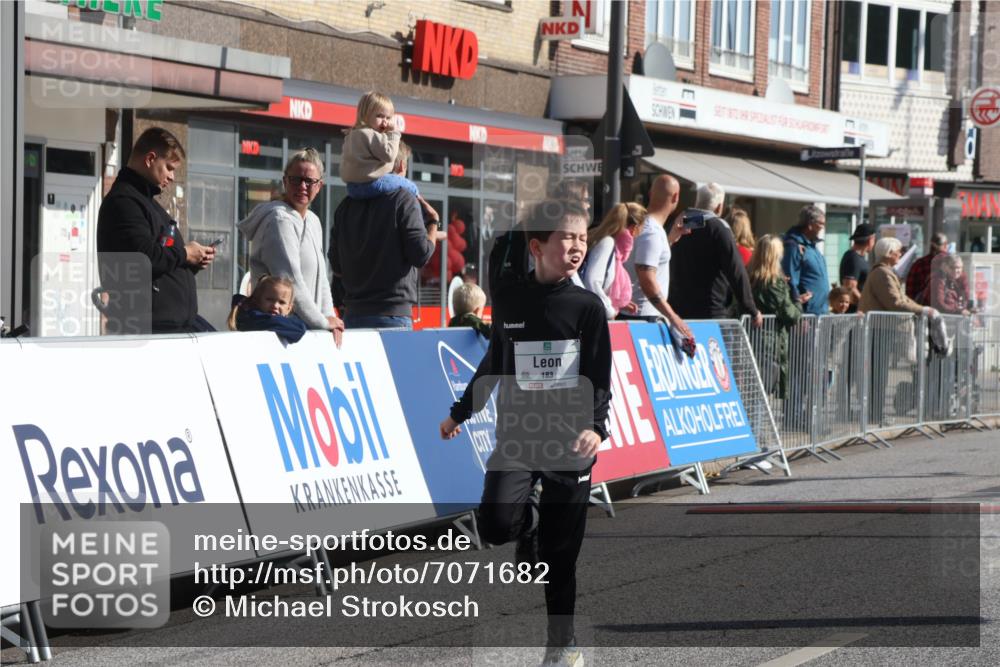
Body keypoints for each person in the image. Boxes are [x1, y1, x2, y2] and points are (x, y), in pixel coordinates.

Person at [440, 199, 610, 667]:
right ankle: (528, 522)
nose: (577, 247)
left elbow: (599, 374)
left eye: (582, 239)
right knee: (495, 523)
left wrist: (596, 427)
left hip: (570, 444)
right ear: (537, 247)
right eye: (566, 239)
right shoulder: (512, 299)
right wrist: (461, 413)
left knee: (561, 558)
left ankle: (563, 646)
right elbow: (495, 363)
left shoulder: (587, 308)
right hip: (517, 437)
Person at [97, 127, 216, 334]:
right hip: (149, 330)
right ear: (150, 159)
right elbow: (143, 259)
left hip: (166, 327)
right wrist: (185, 253)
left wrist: (190, 262)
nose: (171, 176)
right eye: (169, 167)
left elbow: (160, 263)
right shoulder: (125, 202)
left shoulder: (146, 203)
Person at [238, 148, 344, 345]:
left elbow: (322, 279)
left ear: (319, 186)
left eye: (309, 181)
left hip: (304, 330)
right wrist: (322, 321)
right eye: (296, 180)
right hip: (280, 333)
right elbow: (290, 279)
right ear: (285, 181)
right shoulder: (279, 219)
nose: (302, 186)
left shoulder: (312, 220)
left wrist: (330, 318)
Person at [330, 145, 436, 330]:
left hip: (353, 315)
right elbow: (421, 254)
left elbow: (336, 265)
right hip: (392, 315)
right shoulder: (403, 199)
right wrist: (434, 223)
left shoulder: (346, 205)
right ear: (401, 165)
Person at [859, 237, 938, 425]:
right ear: (889, 253)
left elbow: (902, 298)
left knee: (881, 373)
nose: (901, 254)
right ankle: (875, 414)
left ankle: (876, 413)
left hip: (882, 328)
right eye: (898, 251)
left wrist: (921, 309)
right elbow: (895, 302)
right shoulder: (882, 274)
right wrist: (923, 310)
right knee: (878, 374)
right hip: (879, 328)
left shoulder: (886, 273)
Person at [667, 182, 763, 326]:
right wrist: (751, 309)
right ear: (719, 207)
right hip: (710, 311)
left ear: (696, 201)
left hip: (678, 310)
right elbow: (736, 271)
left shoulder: (680, 224)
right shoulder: (718, 228)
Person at [621, 175, 694, 340]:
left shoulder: (649, 228)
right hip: (642, 317)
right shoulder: (652, 232)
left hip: (638, 315)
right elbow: (647, 278)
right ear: (676, 197)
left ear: (650, 193)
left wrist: (671, 238)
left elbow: (650, 259)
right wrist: (673, 316)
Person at [747, 235, 801, 398]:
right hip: (768, 341)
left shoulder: (748, 275)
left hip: (750, 336)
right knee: (762, 390)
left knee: (753, 390)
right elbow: (790, 314)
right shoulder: (773, 282)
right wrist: (797, 302)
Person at [339, 90, 417, 199]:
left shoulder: (351, 135)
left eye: (388, 118)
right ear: (366, 115)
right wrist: (394, 133)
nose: (385, 122)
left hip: (352, 188)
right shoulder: (371, 134)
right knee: (411, 187)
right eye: (380, 116)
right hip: (371, 184)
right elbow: (389, 155)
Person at [581, 202, 644, 319]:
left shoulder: (613, 248)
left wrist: (617, 303)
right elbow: (592, 282)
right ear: (634, 228)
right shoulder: (607, 243)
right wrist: (609, 309)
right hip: (593, 315)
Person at [227, 274, 307, 342]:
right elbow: (298, 329)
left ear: (289, 308)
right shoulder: (253, 318)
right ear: (257, 300)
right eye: (270, 299)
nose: (275, 305)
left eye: (281, 302)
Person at [781, 205, 830, 315]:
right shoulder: (793, 246)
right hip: (806, 314)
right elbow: (791, 281)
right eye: (820, 224)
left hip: (820, 312)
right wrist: (797, 310)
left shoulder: (811, 246)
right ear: (810, 225)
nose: (823, 228)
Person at [905, 232, 950, 304]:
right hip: (947, 309)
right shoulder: (952, 263)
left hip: (922, 309)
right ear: (945, 245)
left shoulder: (919, 263)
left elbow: (910, 290)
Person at [839, 223, 875, 308]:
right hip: (855, 314)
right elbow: (849, 287)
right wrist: (867, 305)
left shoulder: (858, 258)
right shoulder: (853, 258)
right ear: (870, 239)